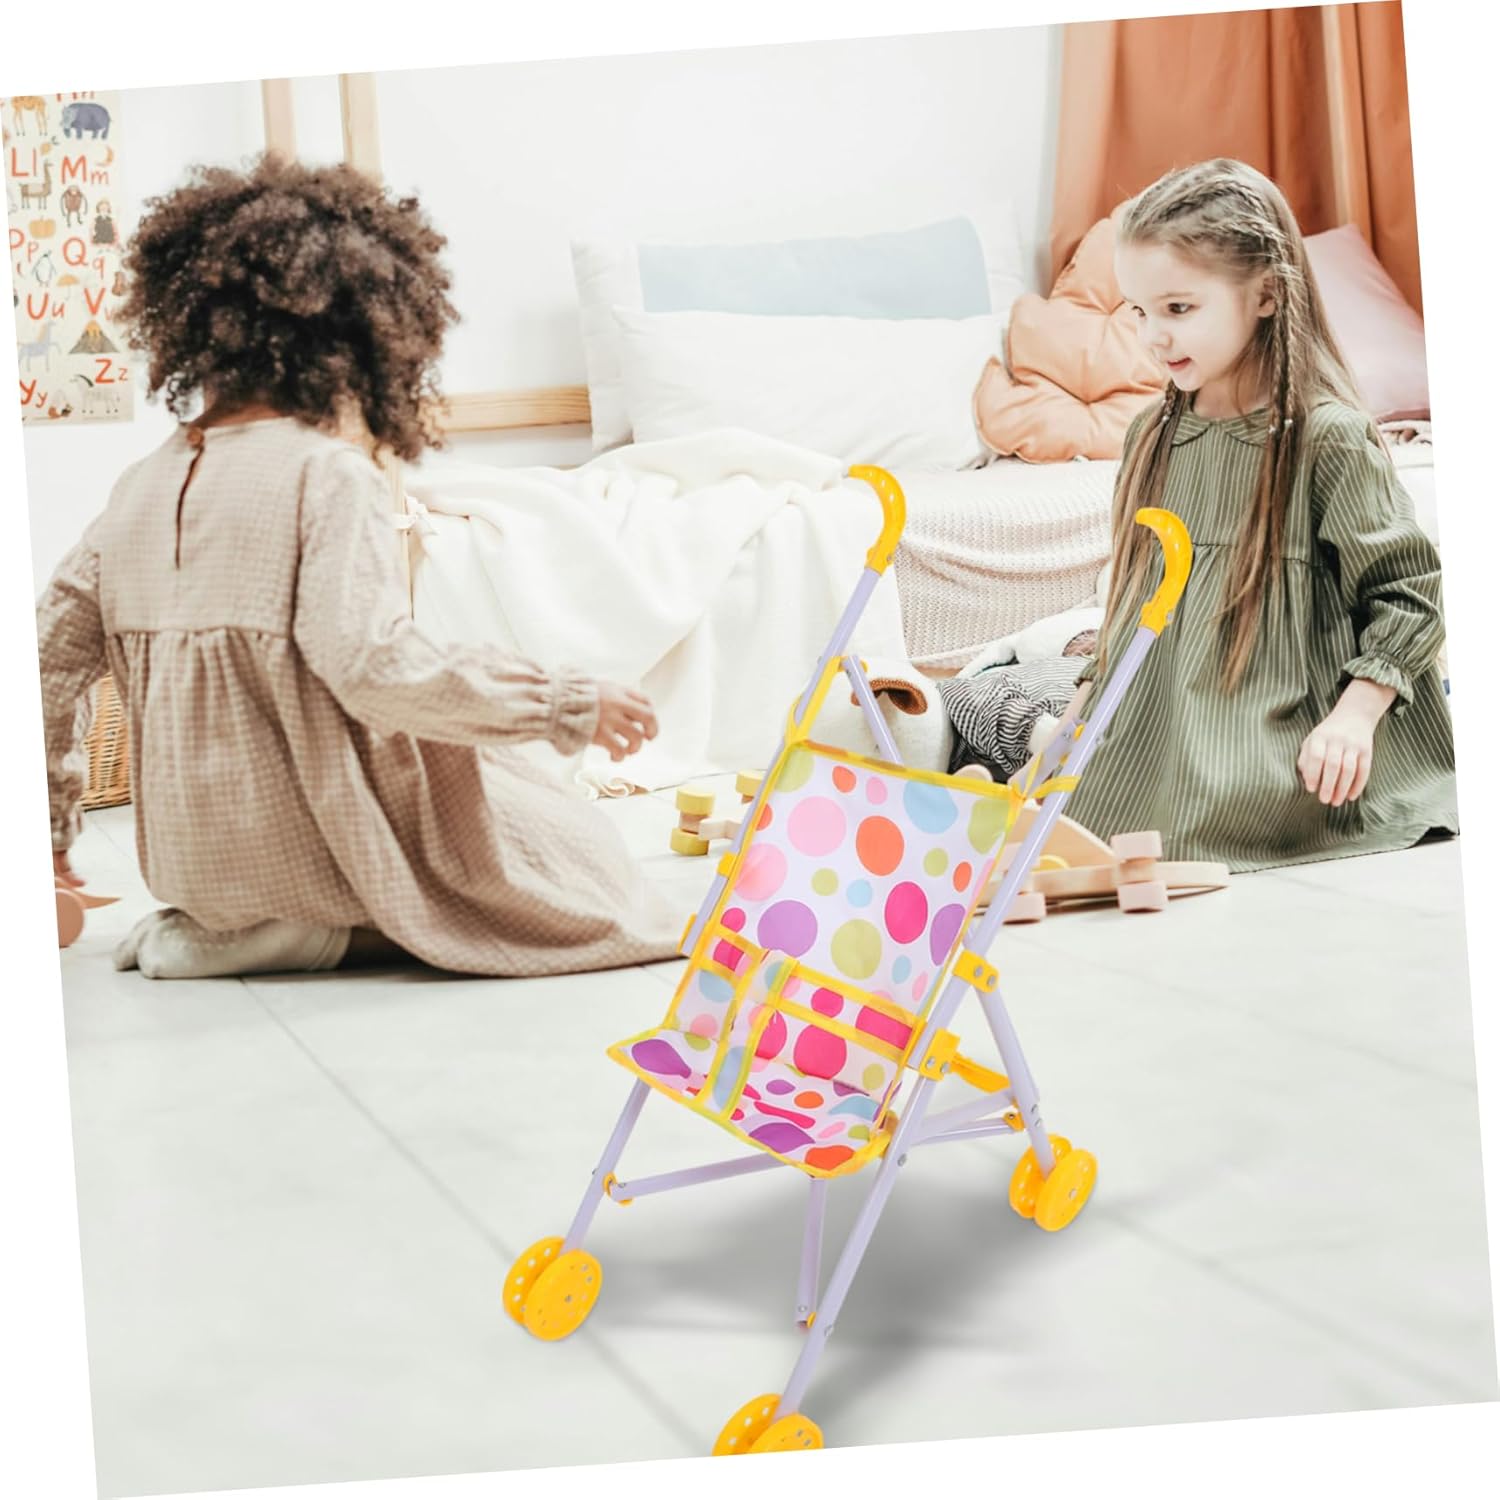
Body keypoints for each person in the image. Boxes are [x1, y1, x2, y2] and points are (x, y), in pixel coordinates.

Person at [37, 154, 683, 979]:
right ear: (359, 338)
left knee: (513, 797)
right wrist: (563, 702)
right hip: (307, 847)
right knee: (572, 853)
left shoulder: (136, 489)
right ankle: (312, 927)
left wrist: (47, 838)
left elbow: (42, 669)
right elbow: (375, 668)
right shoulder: (326, 475)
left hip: (194, 865)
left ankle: (229, 923)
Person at [1036, 158, 1457, 871]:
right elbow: (1132, 605)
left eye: (1178, 309)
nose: (1153, 337)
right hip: (1166, 728)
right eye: (1138, 312)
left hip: (1288, 735)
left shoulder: (1326, 437)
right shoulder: (1152, 436)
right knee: (1055, 793)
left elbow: (1409, 595)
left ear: (1265, 294)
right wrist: (1079, 723)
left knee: (1193, 823)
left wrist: (1355, 719)